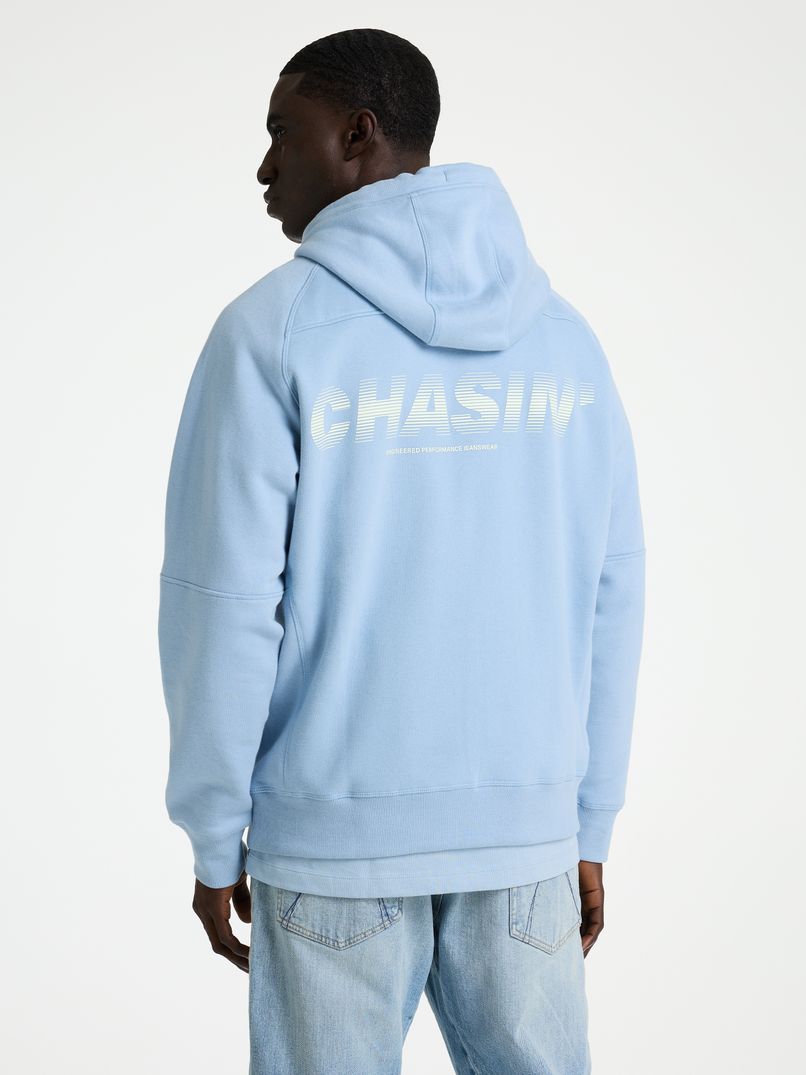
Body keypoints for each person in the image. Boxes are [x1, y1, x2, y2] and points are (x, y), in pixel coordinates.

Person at [157, 26, 646, 1075]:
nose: (263, 167)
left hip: (332, 847)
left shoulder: (270, 332)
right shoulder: (562, 340)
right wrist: (585, 819)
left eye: (282, 132)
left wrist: (212, 827)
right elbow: (612, 591)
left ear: (357, 135)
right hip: (523, 840)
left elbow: (223, 604)